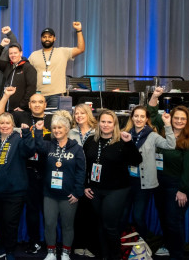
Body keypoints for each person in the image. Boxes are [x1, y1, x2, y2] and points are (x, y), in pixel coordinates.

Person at [0, 87, 51, 255]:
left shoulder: (51, 120)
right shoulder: (21, 116)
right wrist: (6, 95)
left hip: (47, 171)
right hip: (26, 171)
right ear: (29, 104)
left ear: (45, 104)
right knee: (32, 211)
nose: (36, 104)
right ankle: (33, 242)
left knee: (49, 211)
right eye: (33, 102)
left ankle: (52, 246)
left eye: (40, 102)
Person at [148, 88, 189, 260]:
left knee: (173, 221)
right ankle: (169, 246)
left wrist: (183, 190)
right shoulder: (164, 132)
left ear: (187, 122)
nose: (178, 121)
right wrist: (155, 96)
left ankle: (177, 254)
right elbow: (151, 112)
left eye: (182, 119)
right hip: (160, 184)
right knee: (164, 219)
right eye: (176, 118)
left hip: (176, 187)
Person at [83, 110, 142, 260]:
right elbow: (84, 165)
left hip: (117, 190)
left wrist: (129, 143)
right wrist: (85, 185)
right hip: (95, 189)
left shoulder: (122, 141)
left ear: (114, 124)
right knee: (100, 224)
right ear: (98, 123)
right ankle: (104, 255)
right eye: (103, 121)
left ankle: (115, 256)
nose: (106, 125)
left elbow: (136, 160)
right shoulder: (90, 140)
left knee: (110, 226)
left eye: (109, 122)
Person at [0, 113, 36, 260]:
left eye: (7, 123)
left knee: (10, 223)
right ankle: (5, 245)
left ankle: (10, 251)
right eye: (2, 123)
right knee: (0, 221)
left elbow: (30, 151)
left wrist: (26, 134)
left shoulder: (18, 139)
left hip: (14, 191)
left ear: (13, 125)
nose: (4, 126)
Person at [33, 116, 86, 260]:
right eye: (54, 128)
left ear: (67, 129)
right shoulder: (49, 145)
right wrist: (38, 130)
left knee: (67, 225)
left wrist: (77, 192)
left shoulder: (77, 149)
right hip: (50, 194)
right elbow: (38, 145)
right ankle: (51, 252)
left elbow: (81, 172)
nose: (56, 130)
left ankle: (65, 253)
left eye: (60, 127)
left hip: (69, 195)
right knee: (49, 224)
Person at [121, 106, 175, 243]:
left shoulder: (152, 135)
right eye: (136, 116)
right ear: (132, 118)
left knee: (138, 216)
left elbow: (170, 145)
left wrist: (168, 125)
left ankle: (142, 247)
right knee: (122, 216)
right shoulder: (125, 134)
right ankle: (123, 247)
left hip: (143, 184)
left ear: (146, 119)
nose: (139, 119)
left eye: (142, 116)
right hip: (126, 183)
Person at [27, 23, 85, 107]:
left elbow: (81, 49)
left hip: (57, 95)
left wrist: (79, 30)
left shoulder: (63, 52)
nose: (47, 39)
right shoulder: (33, 55)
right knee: (39, 119)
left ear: (54, 38)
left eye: (50, 37)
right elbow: (26, 74)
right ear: (41, 39)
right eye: (44, 37)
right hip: (39, 95)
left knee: (55, 119)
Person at [68, 103, 98, 258]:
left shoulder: (97, 132)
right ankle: (79, 245)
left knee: (92, 214)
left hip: (93, 179)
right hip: (75, 178)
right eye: (76, 113)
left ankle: (92, 246)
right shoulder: (71, 133)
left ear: (88, 115)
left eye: (82, 113)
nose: (78, 116)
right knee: (77, 215)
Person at [0, 37, 37, 112]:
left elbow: (31, 89)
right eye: (10, 53)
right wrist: (1, 45)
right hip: (5, 109)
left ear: (21, 53)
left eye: (15, 53)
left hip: (20, 110)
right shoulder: (7, 66)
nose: (13, 55)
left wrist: (23, 106)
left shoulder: (28, 68)